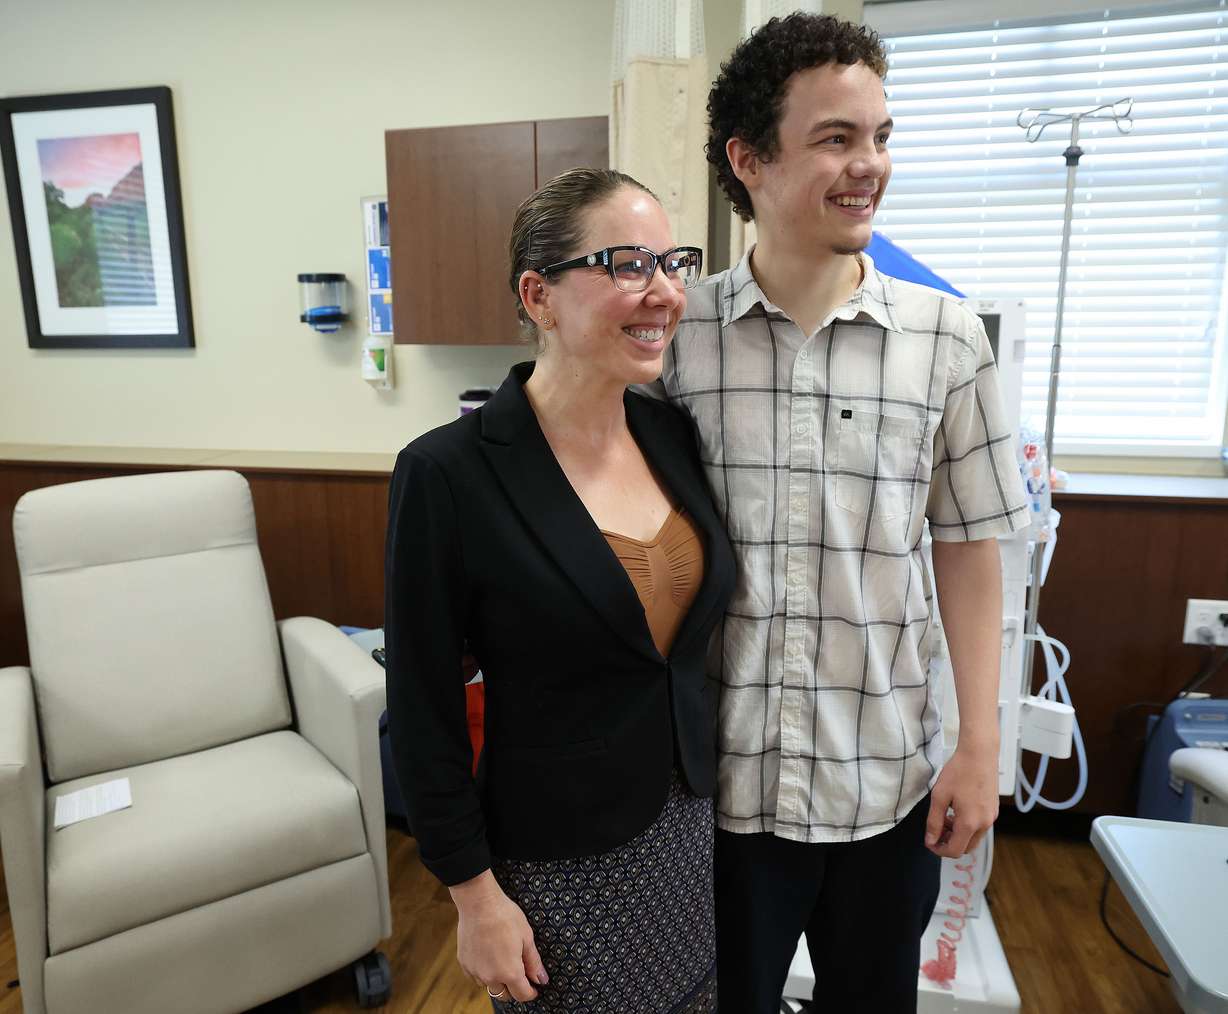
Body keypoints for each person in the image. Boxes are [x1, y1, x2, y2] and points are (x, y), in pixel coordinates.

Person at [649, 13, 1030, 1013]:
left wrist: (979, 748)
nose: (869, 166)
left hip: (883, 788)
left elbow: (970, 551)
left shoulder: (944, 340)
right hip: (718, 796)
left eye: (880, 137)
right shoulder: (677, 340)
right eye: (834, 139)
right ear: (750, 161)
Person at [384, 167, 736, 1014]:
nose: (663, 293)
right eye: (626, 264)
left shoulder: (673, 433)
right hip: (559, 864)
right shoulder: (448, 474)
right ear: (538, 296)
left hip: (689, 826)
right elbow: (422, 708)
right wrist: (472, 894)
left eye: (671, 262)